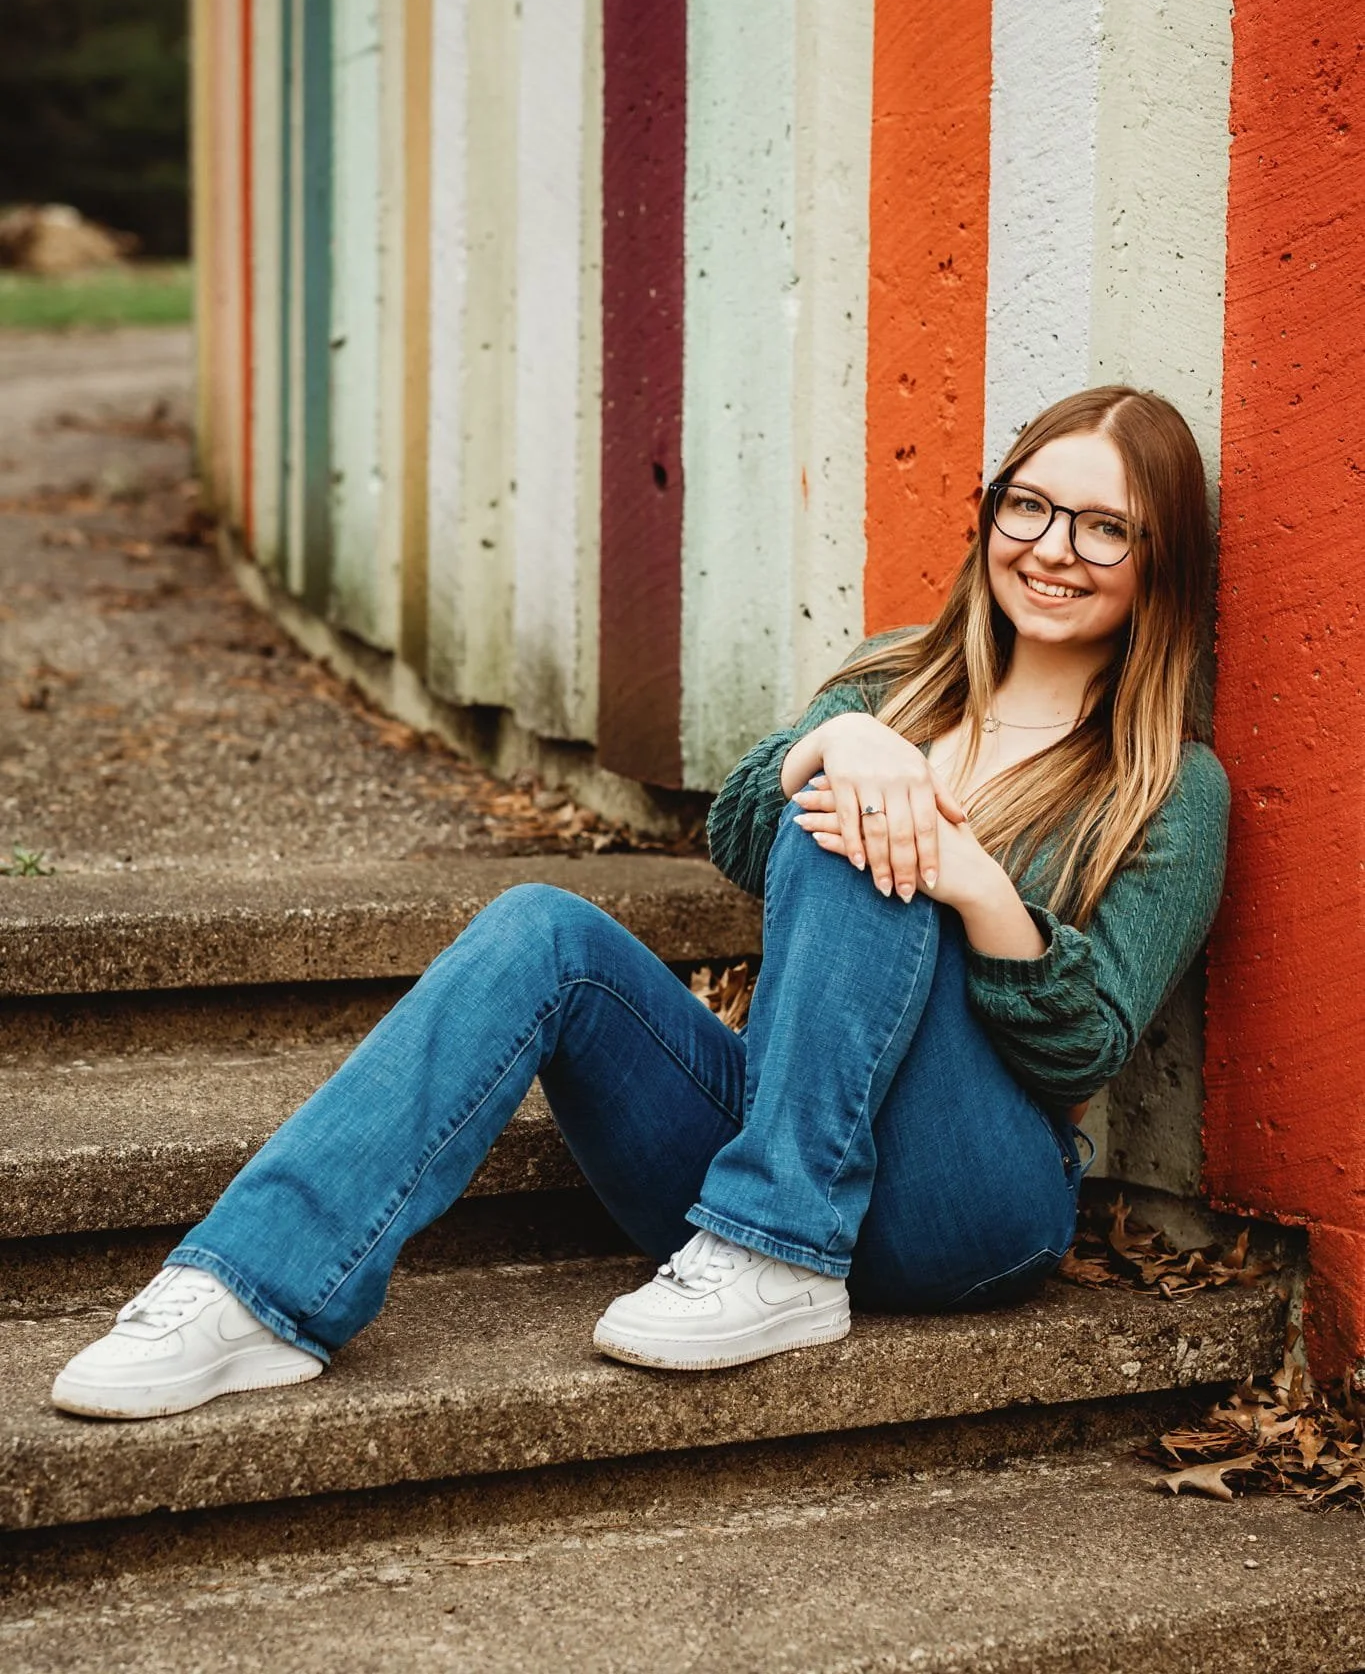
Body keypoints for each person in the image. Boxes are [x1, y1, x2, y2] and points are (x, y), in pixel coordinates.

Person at [52, 385, 1229, 1419]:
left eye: (1105, 526)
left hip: (962, 1198)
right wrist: (854, 741)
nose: (1053, 546)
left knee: (874, 835)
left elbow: (1089, 1039)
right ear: (990, 514)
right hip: (760, 1159)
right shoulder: (891, 677)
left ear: (1157, 560)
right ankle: (247, 1288)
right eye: (1028, 504)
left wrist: (970, 878)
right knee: (544, 927)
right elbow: (738, 832)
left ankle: (776, 1248)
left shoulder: (1170, 785)